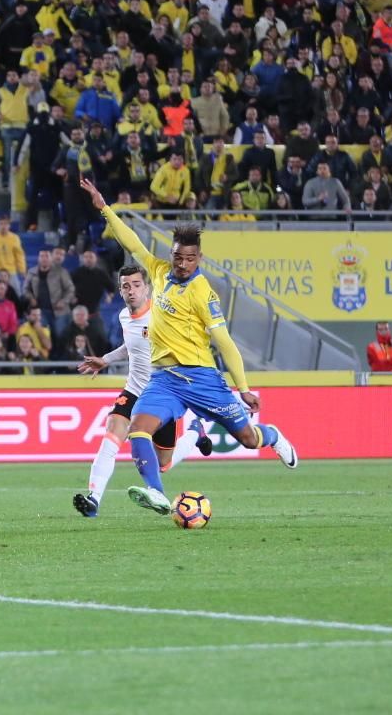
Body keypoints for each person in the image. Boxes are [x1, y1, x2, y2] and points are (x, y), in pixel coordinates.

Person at [81, 176, 297, 514]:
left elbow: (225, 343)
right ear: (172, 253)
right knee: (138, 429)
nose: (182, 264)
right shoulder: (159, 272)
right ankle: (156, 493)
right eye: (178, 257)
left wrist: (243, 388)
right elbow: (134, 244)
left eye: (189, 259)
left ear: (199, 258)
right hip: (164, 379)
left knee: (248, 439)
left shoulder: (202, 293)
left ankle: (273, 437)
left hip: (202, 379)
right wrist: (105, 209)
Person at [72, 265, 215, 518]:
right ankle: (93, 499)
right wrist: (106, 359)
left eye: (137, 285)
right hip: (134, 391)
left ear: (147, 288)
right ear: (120, 291)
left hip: (162, 396)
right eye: (126, 286)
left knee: (163, 464)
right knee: (111, 435)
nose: (131, 291)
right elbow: (131, 345)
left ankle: (195, 432)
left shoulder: (163, 315)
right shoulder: (123, 317)